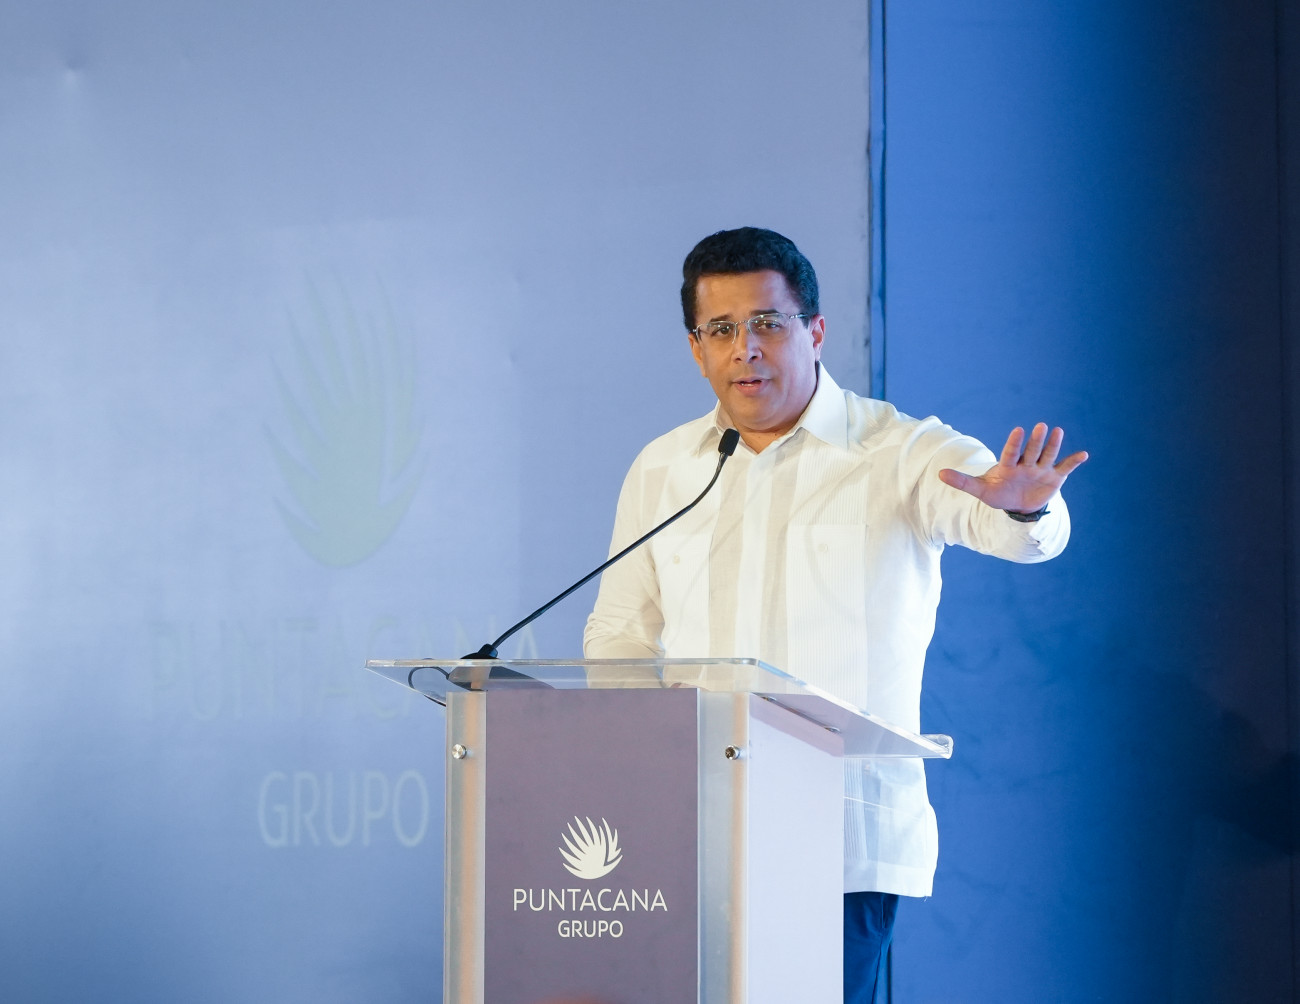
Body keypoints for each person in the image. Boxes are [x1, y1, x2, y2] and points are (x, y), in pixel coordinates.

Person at [583, 227, 1088, 1004]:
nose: (746, 348)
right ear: (695, 349)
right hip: (691, 835)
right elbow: (619, 633)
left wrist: (1026, 509)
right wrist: (636, 754)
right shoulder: (664, 468)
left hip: (841, 843)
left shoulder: (902, 451)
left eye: (767, 323)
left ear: (815, 332)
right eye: (721, 329)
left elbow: (1013, 529)